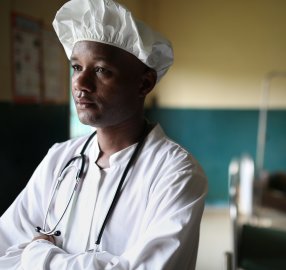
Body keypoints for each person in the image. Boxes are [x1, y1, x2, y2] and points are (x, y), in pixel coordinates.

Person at [0, 0, 207, 269]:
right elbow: (4, 249)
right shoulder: (59, 158)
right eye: (76, 67)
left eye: (100, 70)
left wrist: (39, 253)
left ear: (144, 83)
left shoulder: (176, 174)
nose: (80, 84)